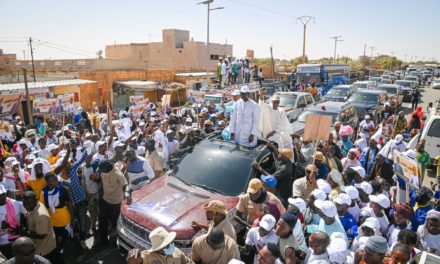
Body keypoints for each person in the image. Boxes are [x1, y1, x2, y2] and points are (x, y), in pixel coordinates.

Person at [21, 191, 64, 263]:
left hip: (45, 247)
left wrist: (24, 232)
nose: (26, 206)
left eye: (28, 204)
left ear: (35, 200)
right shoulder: (35, 206)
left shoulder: (41, 215)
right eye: (24, 204)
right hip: (45, 244)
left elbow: (41, 236)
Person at [96, 160, 128, 249]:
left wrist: (124, 197)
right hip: (105, 200)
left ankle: (119, 242)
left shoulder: (117, 173)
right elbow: (102, 181)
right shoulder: (103, 172)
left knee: (115, 224)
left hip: (116, 203)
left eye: (102, 170)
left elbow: (125, 185)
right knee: (102, 221)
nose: (101, 172)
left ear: (107, 169)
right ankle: (104, 242)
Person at [39, 172, 73, 251]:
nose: (57, 181)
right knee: (55, 238)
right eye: (54, 180)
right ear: (47, 182)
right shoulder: (43, 193)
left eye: (56, 179)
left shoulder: (64, 189)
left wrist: (72, 219)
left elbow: (70, 205)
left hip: (65, 219)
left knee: (67, 235)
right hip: (53, 221)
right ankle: (58, 249)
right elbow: (43, 208)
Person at [126, 227, 191, 264]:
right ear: (159, 248)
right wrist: (133, 261)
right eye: (167, 245)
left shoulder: (177, 252)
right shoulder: (147, 257)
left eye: (171, 242)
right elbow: (137, 260)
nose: (171, 245)